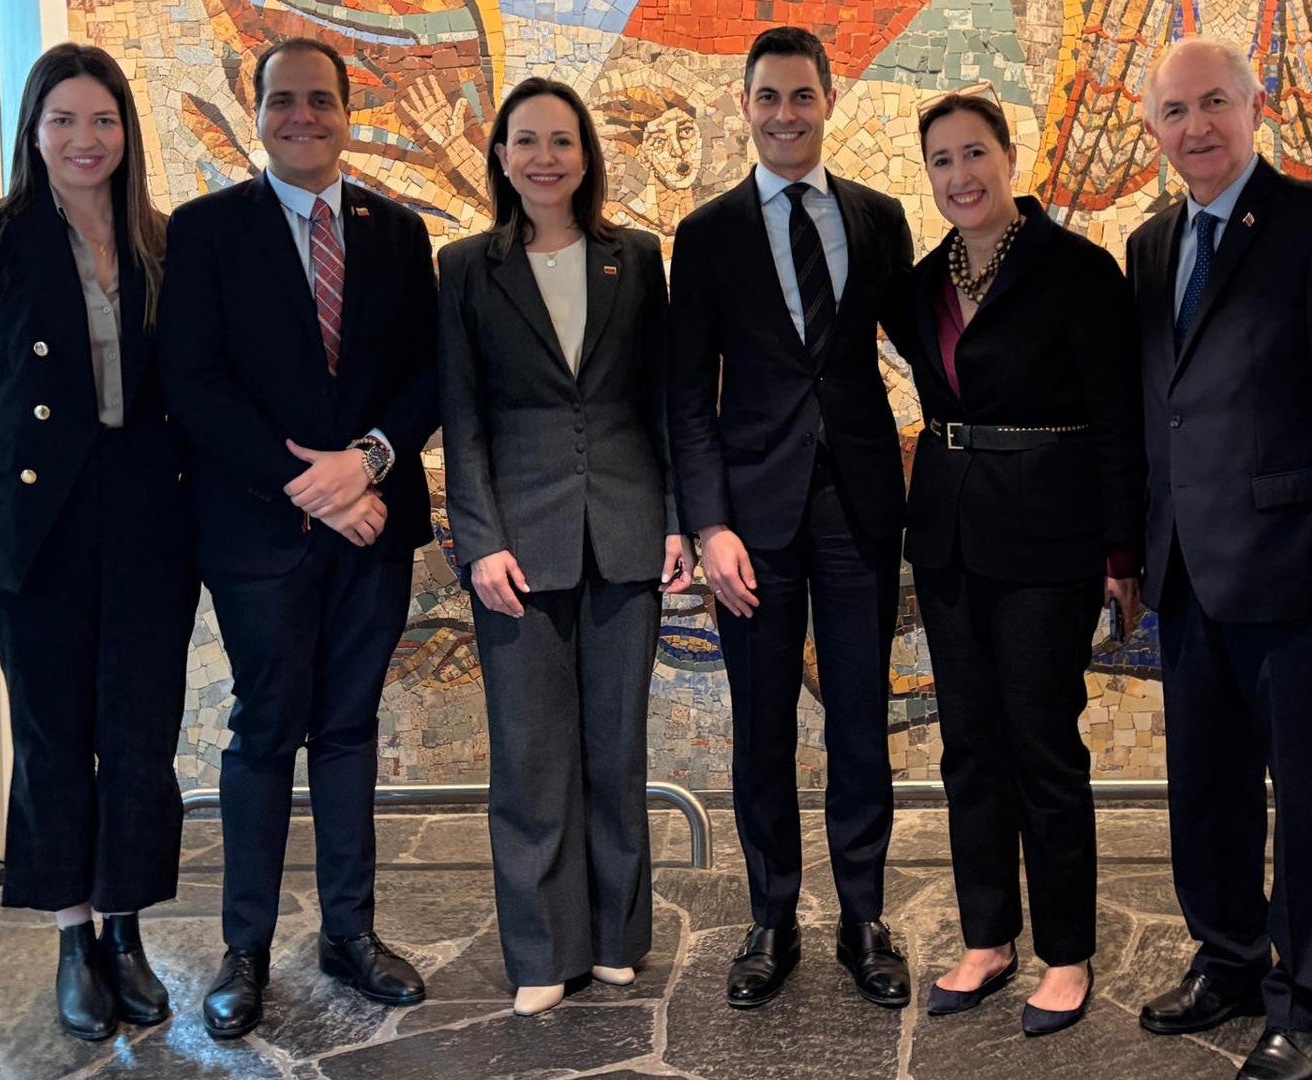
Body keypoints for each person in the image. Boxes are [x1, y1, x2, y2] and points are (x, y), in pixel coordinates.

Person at [1126, 36, 1312, 1080]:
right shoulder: (1150, 246)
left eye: (1214, 105)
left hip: (1299, 577)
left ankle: (1304, 997)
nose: (1196, 128)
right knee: (1205, 790)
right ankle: (1230, 960)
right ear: (1152, 129)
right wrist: (1136, 555)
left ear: (1257, 108)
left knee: (1306, 793)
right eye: (1174, 112)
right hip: (1189, 574)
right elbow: (1165, 412)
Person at [156, 37, 440, 1040]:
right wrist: (309, 485)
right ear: (258, 110)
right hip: (257, 533)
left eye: (322, 100)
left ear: (347, 112)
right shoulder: (204, 232)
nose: (303, 116)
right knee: (266, 729)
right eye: (285, 100)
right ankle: (246, 950)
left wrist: (365, 460)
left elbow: (427, 376)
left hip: (375, 524)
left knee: (352, 728)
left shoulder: (400, 233)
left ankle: (349, 935)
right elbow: (192, 383)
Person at [0, 43, 200, 1042]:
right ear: (34, 131)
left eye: (104, 121)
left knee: (137, 737)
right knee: (54, 738)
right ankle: (73, 937)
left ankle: (126, 929)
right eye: (64, 121)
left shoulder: (163, 245)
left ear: (127, 134)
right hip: (33, 528)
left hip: (146, 521)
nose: (85, 140)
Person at [880, 93, 1143, 1032]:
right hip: (949, 535)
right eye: (943, 161)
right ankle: (987, 939)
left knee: (1043, 745)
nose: (962, 176)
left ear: (1009, 155)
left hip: (1051, 538)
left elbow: (1118, 418)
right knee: (968, 749)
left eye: (976, 154)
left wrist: (1123, 549)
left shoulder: (1079, 271)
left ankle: (1065, 953)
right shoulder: (919, 285)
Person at [666, 25, 916, 1011]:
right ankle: (772, 917)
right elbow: (687, 396)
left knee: (862, 722)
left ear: (827, 102)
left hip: (858, 505)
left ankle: (864, 915)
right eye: (766, 97)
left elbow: (927, 344)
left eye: (801, 95)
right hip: (752, 519)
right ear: (746, 107)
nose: (784, 114)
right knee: (762, 726)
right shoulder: (709, 232)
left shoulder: (880, 216)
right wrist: (708, 524)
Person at [436, 77, 695, 1018]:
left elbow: (664, 401)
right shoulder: (466, 266)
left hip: (627, 531)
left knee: (616, 750)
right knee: (532, 757)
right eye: (526, 141)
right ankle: (544, 949)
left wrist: (674, 518)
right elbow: (462, 418)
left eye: (563, 141)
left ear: (587, 157)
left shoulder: (638, 259)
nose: (545, 157)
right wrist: (479, 544)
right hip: (518, 546)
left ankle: (620, 938)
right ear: (501, 156)